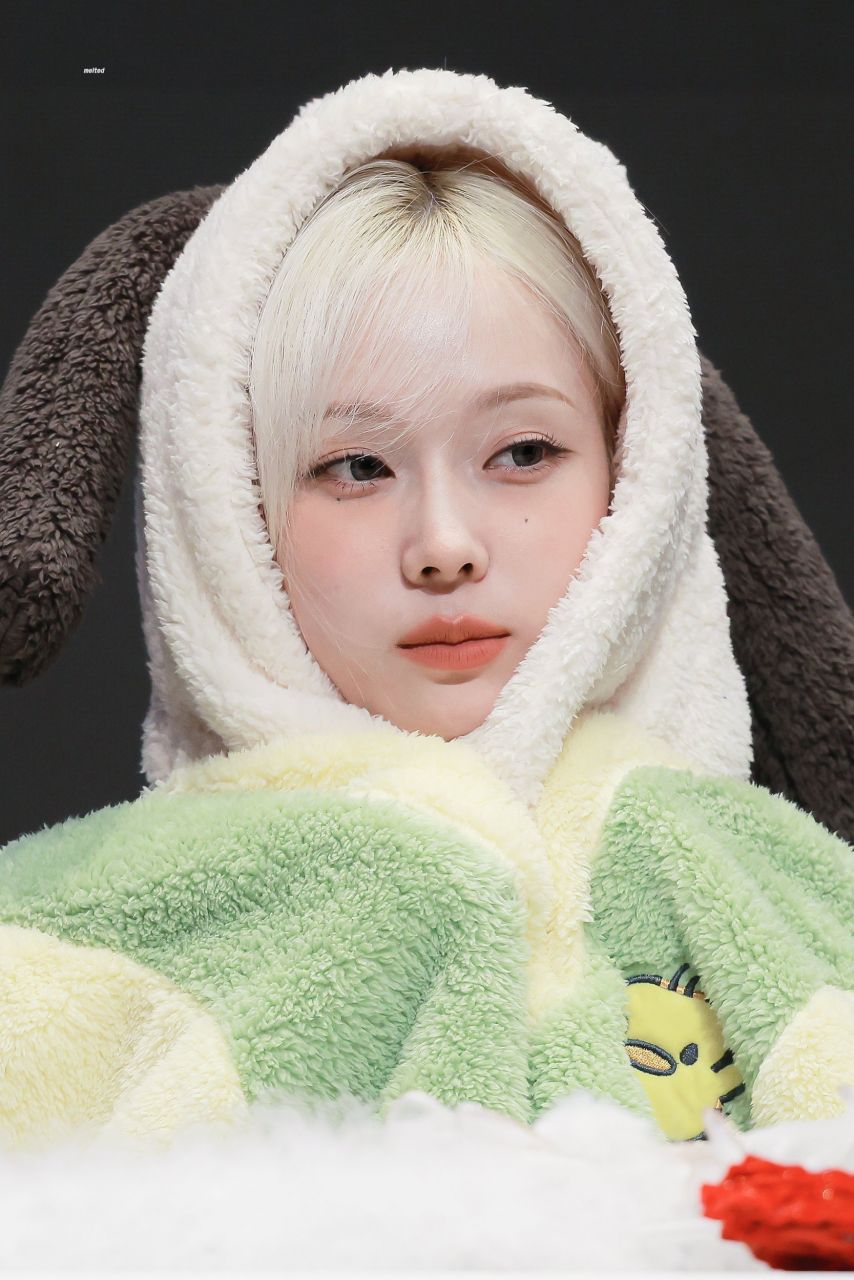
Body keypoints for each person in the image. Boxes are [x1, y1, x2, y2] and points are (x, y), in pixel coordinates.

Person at [0, 67, 851, 1154]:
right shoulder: (67, 946)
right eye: (355, 466)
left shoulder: (770, 890)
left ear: (636, 477)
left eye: (524, 451)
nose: (445, 544)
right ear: (229, 510)